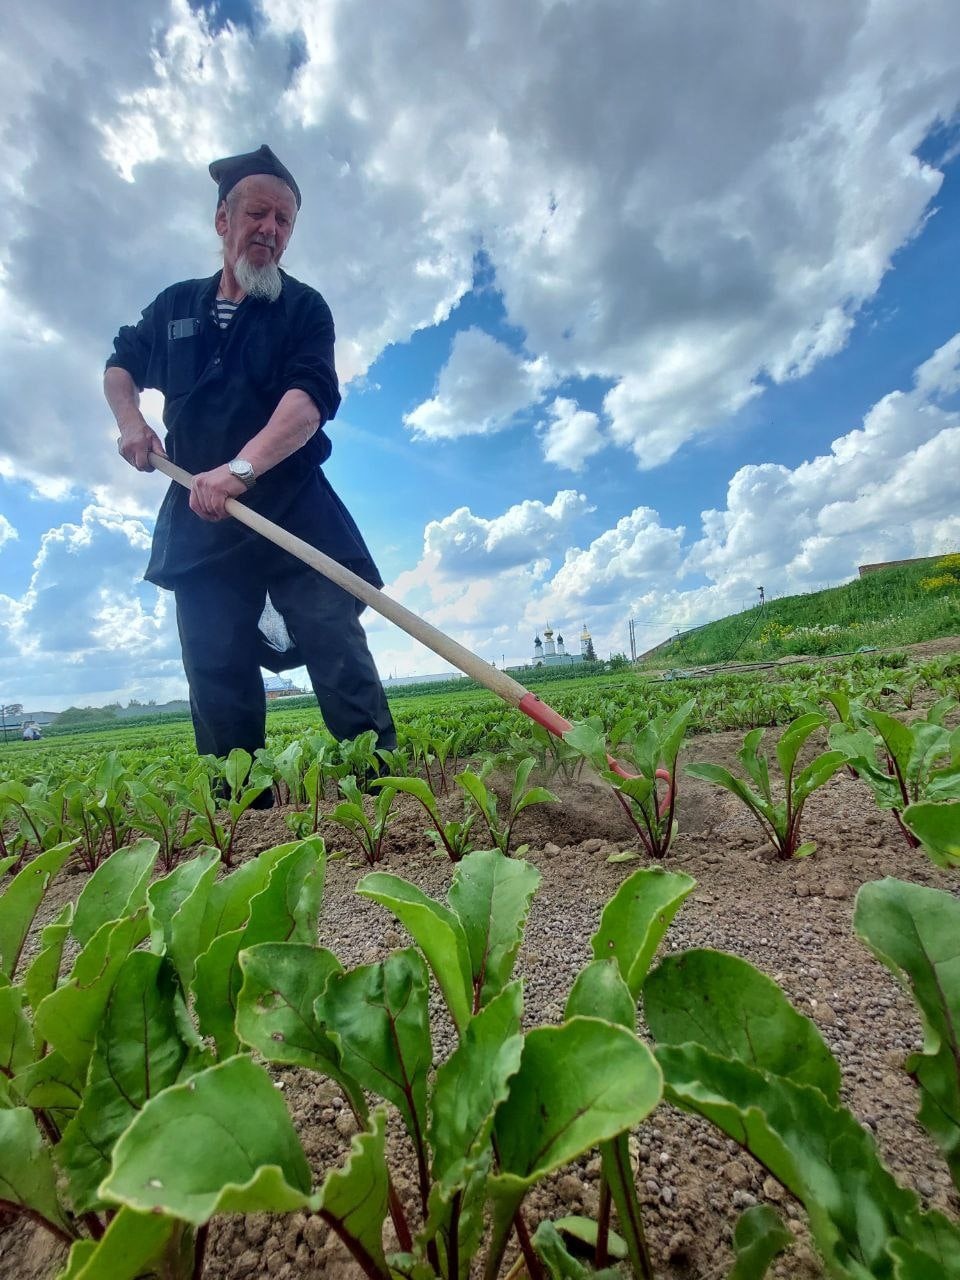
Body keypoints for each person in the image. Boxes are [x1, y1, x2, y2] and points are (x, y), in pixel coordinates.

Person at [105, 144, 396, 799]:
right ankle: (242, 811)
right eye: (258, 214)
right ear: (222, 222)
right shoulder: (176, 307)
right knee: (214, 665)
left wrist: (241, 468)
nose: (271, 229)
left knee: (334, 640)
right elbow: (121, 363)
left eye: (285, 221)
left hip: (293, 505)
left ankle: (381, 795)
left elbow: (309, 400)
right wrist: (132, 423)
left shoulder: (304, 309)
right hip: (201, 517)